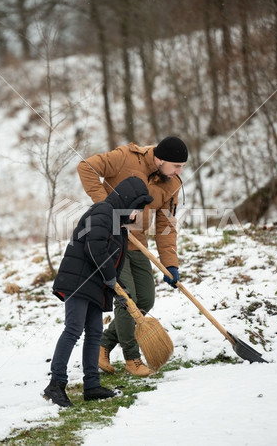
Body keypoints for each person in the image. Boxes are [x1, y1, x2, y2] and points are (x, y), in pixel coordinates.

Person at [77, 136, 188, 377]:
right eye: (176, 166)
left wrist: (170, 264)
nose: (179, 172)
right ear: (159, 159)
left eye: (182, 167)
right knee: (128, 300)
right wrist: (106, 208)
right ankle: (132, 359)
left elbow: (165, 226)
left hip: (138, 245)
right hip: (111, 241)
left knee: (145, 300)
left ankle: (103, 346)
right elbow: (85, 167)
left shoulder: (172, 184)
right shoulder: (126, 157)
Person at [43, 176, 153, 407]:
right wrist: (111, 279)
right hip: (78, 282)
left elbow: (113, 263)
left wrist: (119, 292)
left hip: (94, 285)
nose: (136, 215)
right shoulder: (103, 212)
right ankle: (55, 384)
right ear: (128, 202)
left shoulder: (117, 223)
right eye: (136, 209)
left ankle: (92, 385)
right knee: (73, 329)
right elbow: (95, 247)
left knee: (94, 333)